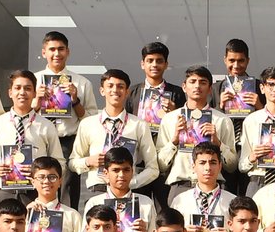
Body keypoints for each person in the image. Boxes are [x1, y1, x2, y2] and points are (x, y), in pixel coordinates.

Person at [155, 66, 239, 205]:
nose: (197, 86)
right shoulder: (170, 119)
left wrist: (218, 143)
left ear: (210, 89)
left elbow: (232, 166)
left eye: (203, 82)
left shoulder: (222, 120)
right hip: (180, 186)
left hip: (214, 188)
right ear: (184, 86)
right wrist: (174, 141)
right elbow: (160, 166)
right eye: (192, 81)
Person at [70, 69, 159, 198]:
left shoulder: (139, 125)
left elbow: (153, 168)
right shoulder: (88, 124)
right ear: (102, 91)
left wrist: (131, 182)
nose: (115, 90)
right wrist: (88, 161)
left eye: (120, 86)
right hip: (98, 190)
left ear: (127, 92)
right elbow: (72, 162)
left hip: (128, 192)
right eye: (110, 86)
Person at [34, 30, 98, 207]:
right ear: (44, 52)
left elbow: (91, 121)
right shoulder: (33, 81)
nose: (57, 54)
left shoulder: (82, 83)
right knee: (39, 185)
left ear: (67, 52)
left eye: (61, 49)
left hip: (67, 142)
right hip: (40, 140)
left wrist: (75, 100)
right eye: (52, 49)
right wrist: (37, 101)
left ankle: (68, 223)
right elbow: (23, 115)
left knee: (67, 190)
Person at [0, 70, 63, 203]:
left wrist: (39, 172)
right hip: (3, 191)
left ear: (34, 93)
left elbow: (60, 162)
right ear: (10, 93)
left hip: (35, 193)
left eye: (28, 88)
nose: (22, 92)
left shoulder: (46, 125)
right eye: (17, 88)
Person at [80, 147, 160, 232]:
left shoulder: (145, 203)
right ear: (106, 173)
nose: (121, 175)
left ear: (132, 171)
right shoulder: (94, 203)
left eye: (126, 170)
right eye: (116, 170)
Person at [25, 156, 84, 232]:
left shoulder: (72, 215)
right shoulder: (24, 214)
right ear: (33, 182)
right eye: (41, 177)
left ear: (60, 181)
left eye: (52, 177)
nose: (46, 181)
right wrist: (26, 216)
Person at [127, 41, 187, 137]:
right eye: (150, 61)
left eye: (159, 61)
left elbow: (183, 126)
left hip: (166, 141)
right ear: (142, 64)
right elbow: (126, 121)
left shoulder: (177, 92)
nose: (154, 65)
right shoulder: (132, 92)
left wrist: (174, 112)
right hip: (138, 140)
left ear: (166, 64)